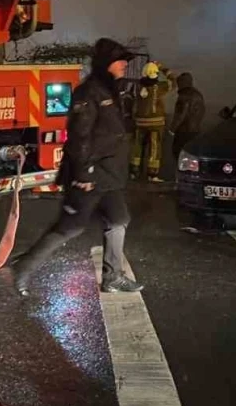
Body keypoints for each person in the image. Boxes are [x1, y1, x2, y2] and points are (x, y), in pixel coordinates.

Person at [13, 38, 143, 296]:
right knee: (70, 226)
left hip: (110, 176)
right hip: (90, 175)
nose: (125, 66)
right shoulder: (89, 92)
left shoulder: (111, 91)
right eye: (121, 61)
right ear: (107, 63)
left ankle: (113, 277)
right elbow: (79, 136)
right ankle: (21, 269)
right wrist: (83, 173)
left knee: (119, 219)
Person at [130, 61, 171, 181]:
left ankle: (134, 172)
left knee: (137, 148)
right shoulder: (160, 87)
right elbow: (173, 81)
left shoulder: (137, 87)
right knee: (154, 148)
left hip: (140, 123)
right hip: (156, 124)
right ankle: (152, 175)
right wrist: (162, 68)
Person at [169, 72, 205, 161]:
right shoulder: (198, 94)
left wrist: (172, 129)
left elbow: (180, 114)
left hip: (183, 131)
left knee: (178, 154)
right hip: (195, 130)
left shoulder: (183, 96)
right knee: (191, 156)